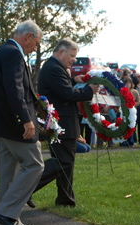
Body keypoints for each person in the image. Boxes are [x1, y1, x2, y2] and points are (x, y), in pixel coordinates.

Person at [0, 20, 44, 225]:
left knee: (8, 170)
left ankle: (8, 216)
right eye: (36, 43)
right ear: (28, 37)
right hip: (13, 124)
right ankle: (7, 213)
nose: (35, 47)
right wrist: (26, 119)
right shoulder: (13, 53)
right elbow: (15, 89)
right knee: (35, 164)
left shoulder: (0, 51)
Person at [32, 38, 99, 208]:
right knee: (64, 162)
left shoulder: (55, 67)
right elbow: (67, 94)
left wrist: (75, 80)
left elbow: (62, 88)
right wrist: (88, 91)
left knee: (66, 164)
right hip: (60, 124)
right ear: (61, 52)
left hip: (61, 124)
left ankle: (65, 200)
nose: (74, 60)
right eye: (72, 56)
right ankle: (25, 188)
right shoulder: (54, 68)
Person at [120, 77, 140, 147]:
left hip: (132, 111)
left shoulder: (134, 92)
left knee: (131, 126)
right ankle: (123, 142)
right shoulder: (121, 91)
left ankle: (131, 141)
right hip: (124, 111)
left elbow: (138, 101)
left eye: (129, 83)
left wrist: (133, 105)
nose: (128, 84)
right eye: (126, 83)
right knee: (123, 126)